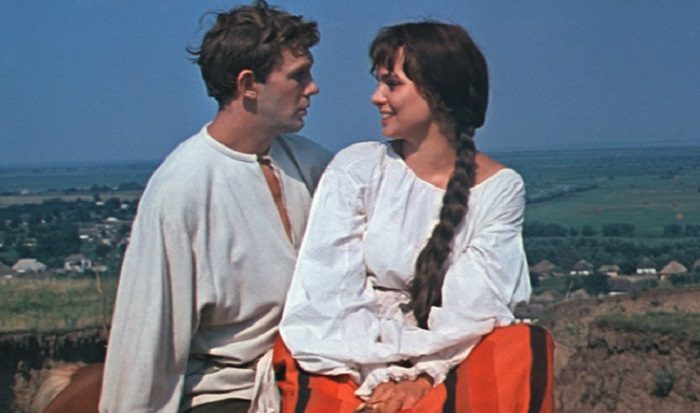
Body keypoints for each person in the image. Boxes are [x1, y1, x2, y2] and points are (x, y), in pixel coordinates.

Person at [276, 21, 553, 413]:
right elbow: (329, 289)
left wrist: (422, 377)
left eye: (392, 84)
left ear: (438, 93)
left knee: (524, 345)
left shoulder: (499, 188)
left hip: (448, 358)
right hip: (351, 352)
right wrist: (382, 374)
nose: (376, 97)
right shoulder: (359, 167)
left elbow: (479, 303)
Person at [99, 1, 331, 412]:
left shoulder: (314, 165)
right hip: (227, 393)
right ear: (248, 84)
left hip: (317, 377)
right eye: (298, 76)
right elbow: (146, 335)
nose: (312, 88)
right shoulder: (181, 189)